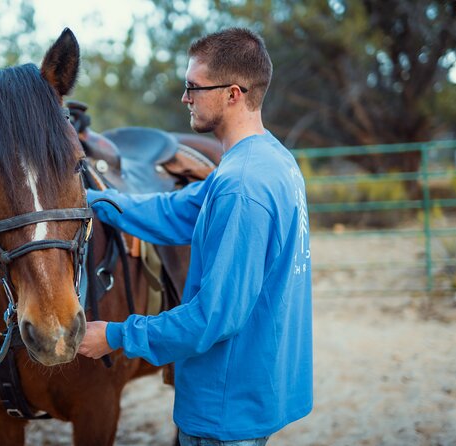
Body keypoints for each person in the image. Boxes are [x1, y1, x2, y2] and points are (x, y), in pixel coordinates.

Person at [78, 27, 312, 445]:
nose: (185, 97)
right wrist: (97, 200)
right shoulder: (269, 159)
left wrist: (114, 335)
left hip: (224, 409)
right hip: (252, 389)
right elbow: (177, 210)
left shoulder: (242, 186)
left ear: (233, 93)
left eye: (193, 87)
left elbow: (211, 319)